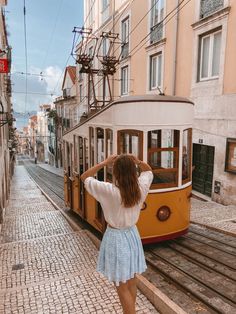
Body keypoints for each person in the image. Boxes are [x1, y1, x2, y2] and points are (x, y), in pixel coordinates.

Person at [81, 154, 153, 314]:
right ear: (133, 172)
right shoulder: (140, 188)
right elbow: (148, 171)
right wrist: (138, 161)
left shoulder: (108, 191)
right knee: (131, 282)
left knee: (121, 286)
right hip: (132, 235)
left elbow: (84, 177)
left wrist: (104, 162)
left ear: (116, 173)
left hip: (116, 238)